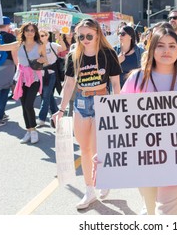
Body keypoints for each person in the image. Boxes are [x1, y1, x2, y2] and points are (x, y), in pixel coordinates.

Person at [121, 27, 177, 215]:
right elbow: (120, 119)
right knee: (150, 211)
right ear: (151, 49)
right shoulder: (136, 78)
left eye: (172, 46)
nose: (167, 50)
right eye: (161, 45)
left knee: (166, 214)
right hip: (143, 159)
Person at [51, 18, 121, 210]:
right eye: (81, 36)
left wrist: (118, 107)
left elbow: (115, 84)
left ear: (98, 33)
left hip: (103, 101)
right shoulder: (75, 55)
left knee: (99, 150)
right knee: (85, 149)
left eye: (89, 35)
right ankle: (89, 190)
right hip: (81, 103)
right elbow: (69, 84)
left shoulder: (108, 54)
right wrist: (61, 109)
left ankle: (104, 179)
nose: (85, 39)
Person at [0, 22, 47, 144]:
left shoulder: (40, 45)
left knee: (28, 104)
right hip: (21, 78)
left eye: (32, 30)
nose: (30, 32)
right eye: (27, 30)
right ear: (24, 31)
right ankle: (29, 130)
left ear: (35, 32)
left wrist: (40, 59)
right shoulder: (18, 44)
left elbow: (45, 60)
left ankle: (33, 132)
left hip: (34, 78)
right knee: (24, 105)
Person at [36, 29, 66, 126]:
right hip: (40, 73)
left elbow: (63, 48)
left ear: (47, 36)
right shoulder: (36, 46)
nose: (41, 37)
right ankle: (56, 115)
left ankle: (41, 118)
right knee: (49, 95)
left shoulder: (52, 45)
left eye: (43, 35)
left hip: (51, 72)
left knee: (46, 95)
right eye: (39, 35)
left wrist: (59, 37)